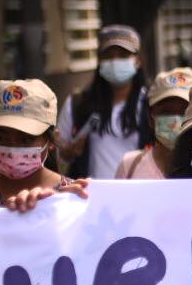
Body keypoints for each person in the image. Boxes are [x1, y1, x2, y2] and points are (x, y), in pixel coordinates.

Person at [0, 79, 87, 211]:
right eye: (0, 138)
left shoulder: (74, 197)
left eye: (26, 139)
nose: (12, 148)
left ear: (51, 140)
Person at [58, 24, 149, 179]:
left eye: (123, 55)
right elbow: (59, 156)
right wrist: (67, 154)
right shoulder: (78, 103)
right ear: (99, 61)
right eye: (108, 56)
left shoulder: (151, 103)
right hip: (93, 196)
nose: (115, 61)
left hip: (138, 196)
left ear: (138, 61)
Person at [116, 67, 192, 179]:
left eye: (184, 111)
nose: (175, 120)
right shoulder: (130, 165)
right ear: (150, 118)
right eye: (166, 111)